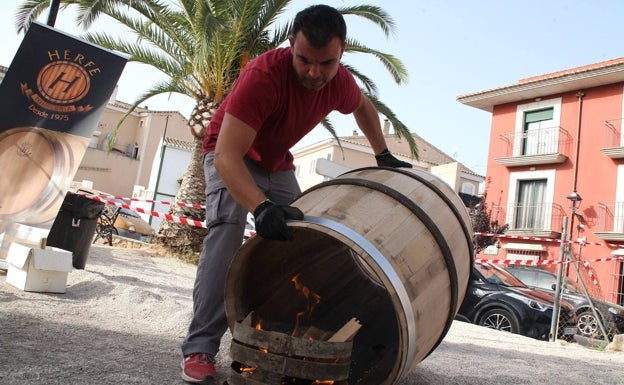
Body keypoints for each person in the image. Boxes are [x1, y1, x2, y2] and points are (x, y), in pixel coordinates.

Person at [180, 4, 411, 384]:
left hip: (277, 163)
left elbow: (364, 109)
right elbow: (226, 156)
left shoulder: (340, 81)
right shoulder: (263, 76)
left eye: (326, 63)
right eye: (305, 60)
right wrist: (260, 206)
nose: (314, 73)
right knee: (227, 228)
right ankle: (200, 347)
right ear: (291, 44)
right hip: (229, 155)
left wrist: (382, 154)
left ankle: (291, 333)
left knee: (307, 238)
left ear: (342, 54)